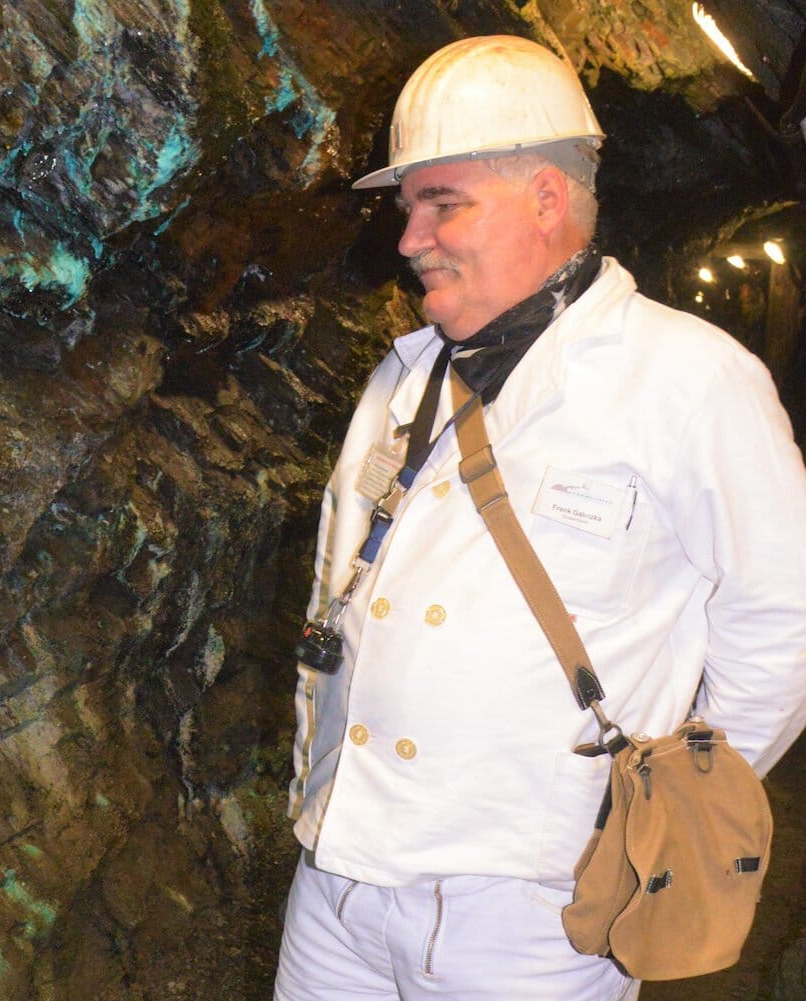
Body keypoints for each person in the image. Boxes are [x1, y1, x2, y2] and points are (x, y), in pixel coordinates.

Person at [275, 34, 806, 1000]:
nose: (408, 238)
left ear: (547, 199)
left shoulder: (689, 381)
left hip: (530, 914)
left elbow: (782, 626)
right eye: (409, 206)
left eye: (443, 202)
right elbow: (338, 600)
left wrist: (653, 818)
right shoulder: (402, 377)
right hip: (338, 878)